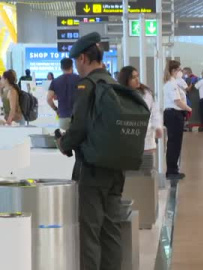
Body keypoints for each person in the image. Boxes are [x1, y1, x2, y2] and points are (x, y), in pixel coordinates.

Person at [56, 32, 125, 270]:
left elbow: (79, 128)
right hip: (116, 169)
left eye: (77, 61)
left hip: (92, 170)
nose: (77, 66)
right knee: (111, 230)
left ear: (84, 58)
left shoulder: (87, 85)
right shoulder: (114, 83)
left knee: (90, 234)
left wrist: (63, 145)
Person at [118, 66, 162, 158]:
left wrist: (158, 127)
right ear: (125, 80)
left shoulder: (146, 93)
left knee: (147, 166)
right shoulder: (119, 94)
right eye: (133, 78)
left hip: (147, 135)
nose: (137, 79)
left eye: (137, 76)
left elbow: (155, 112)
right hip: (127, 136)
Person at [163, 60, 192, 181]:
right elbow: (177, 101)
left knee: (174, 143)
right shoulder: (171, 83)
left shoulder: (172, 82)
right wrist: (188, 108)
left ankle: (173, 169)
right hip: (174, 114)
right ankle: (172, 171)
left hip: (173, 114)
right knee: (174, 143)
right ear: (174, 70)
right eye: (179, 70)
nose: (181, 72)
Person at [47, 58, 81, 130]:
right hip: (78, 117)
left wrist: (56, 109)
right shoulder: (80, 79)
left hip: (63, 115)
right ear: (72, 66)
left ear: (61, 67)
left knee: (64, 139)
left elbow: (49, 99)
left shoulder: (55, 81)